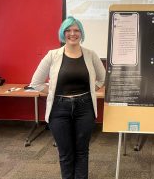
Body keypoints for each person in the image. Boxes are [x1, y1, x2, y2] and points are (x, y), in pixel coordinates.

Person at [30, 16, 106, 179]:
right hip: (59, 109)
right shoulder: (52, 55)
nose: (73, 33)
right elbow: (36, 83)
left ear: (81, 33)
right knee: (65, 153)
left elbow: (102, 78)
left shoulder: (91, 55)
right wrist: (52, 93)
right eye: (68, 30)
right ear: (62, 33)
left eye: (76, 30)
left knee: (82, 152)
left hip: (84, 108)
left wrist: (92, 89)